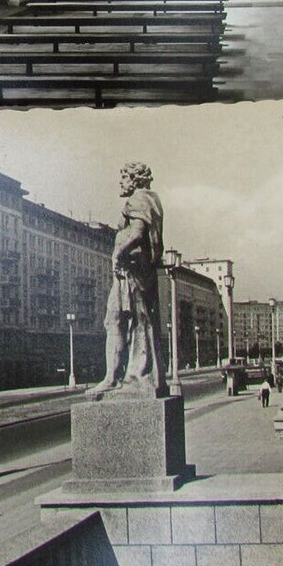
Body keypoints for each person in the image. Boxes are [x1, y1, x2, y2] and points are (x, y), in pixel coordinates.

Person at [90, 163, 168, 398]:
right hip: (141, 271)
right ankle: (139, 374)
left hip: (130, 271)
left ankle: (113, 379)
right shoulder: (153, 200)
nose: (121, 182)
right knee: (140, 322)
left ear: (135, 179)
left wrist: (117, 253)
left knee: (114, 321)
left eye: (123, 178)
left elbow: (136, 233)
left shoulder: (136, 200)